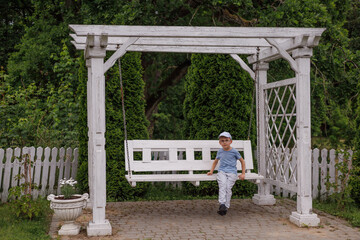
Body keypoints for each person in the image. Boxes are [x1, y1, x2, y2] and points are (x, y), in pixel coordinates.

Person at [207, 131, 246, 216]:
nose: (224, 142)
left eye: (226, 140)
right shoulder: (220, 151)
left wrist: (243, 174)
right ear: (220, 143)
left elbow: (242, 162)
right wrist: (211, 171)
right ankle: (222, 204)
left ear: (230, 141)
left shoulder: (234, 151)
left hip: (232, 172)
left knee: (228, 188)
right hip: (222, 172)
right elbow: (215, 161)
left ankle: (226, 206)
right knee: (222, 185)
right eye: (222, 141)